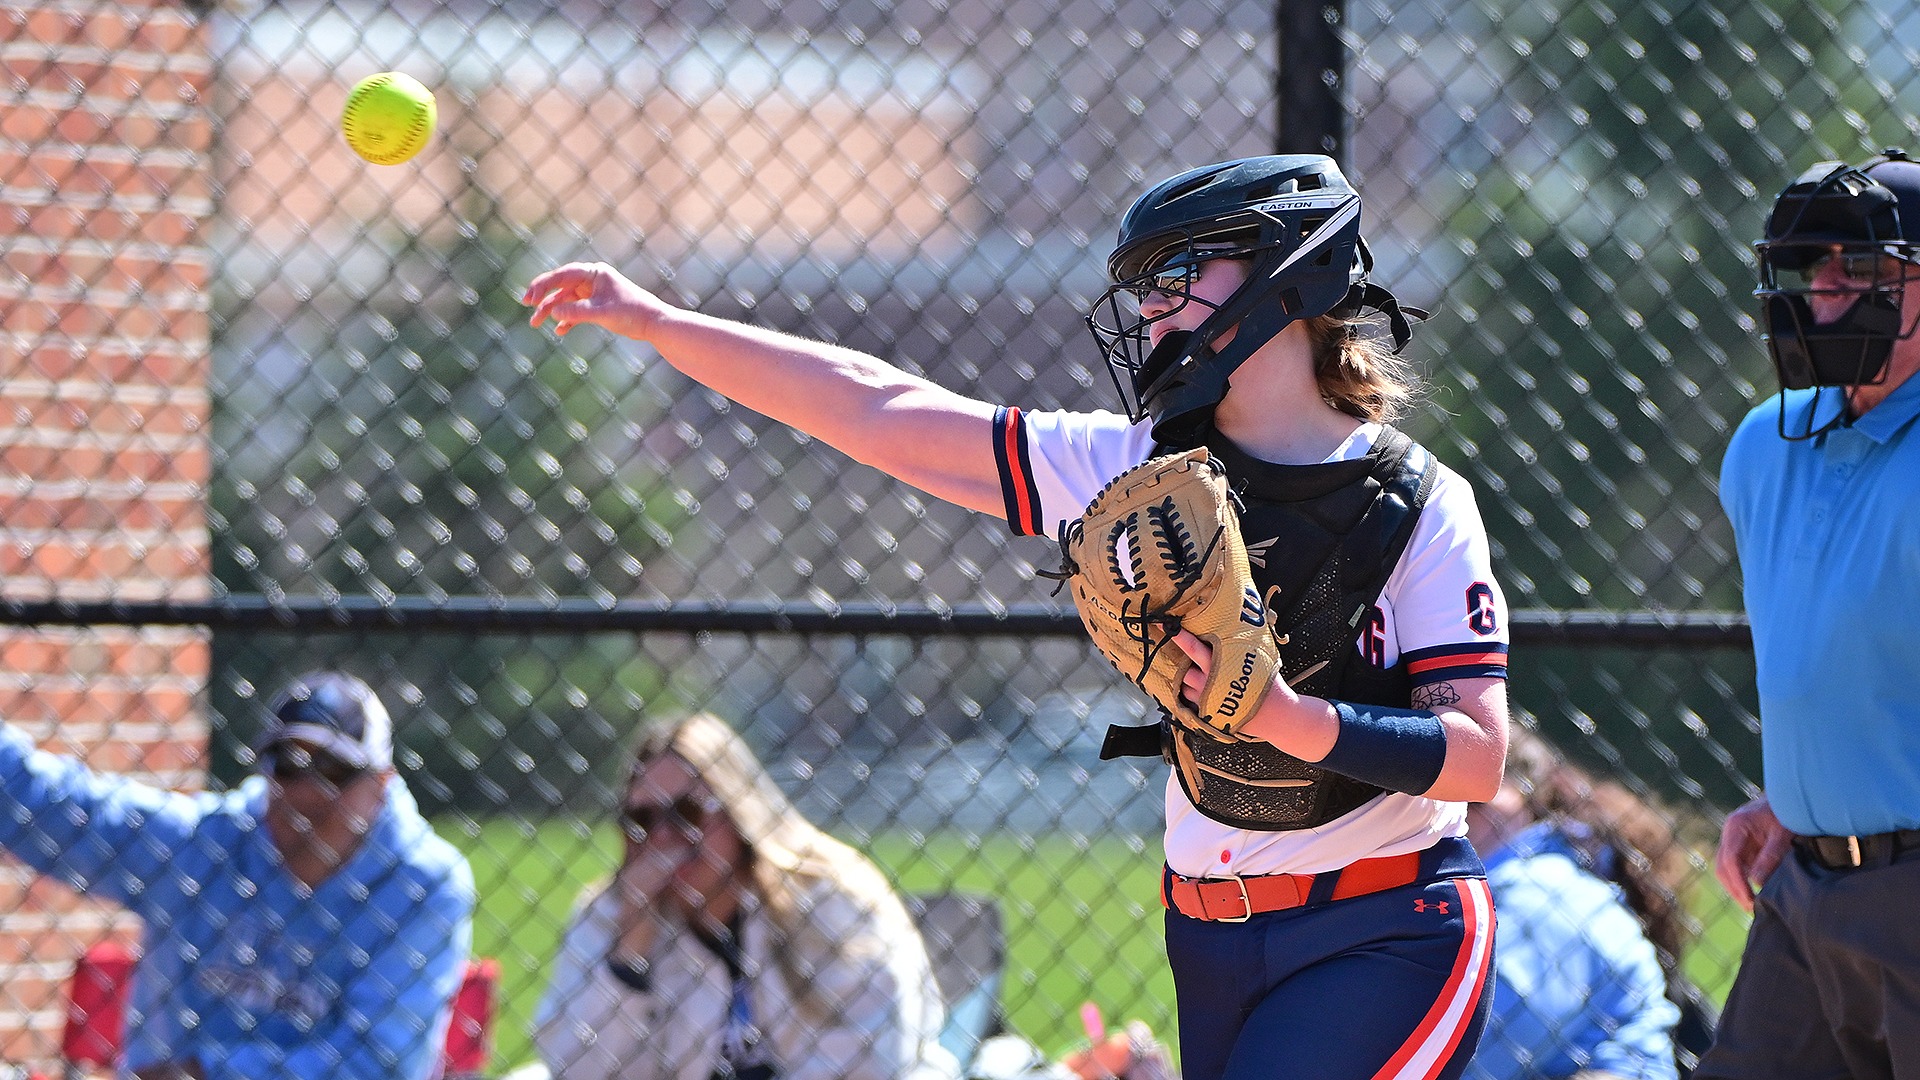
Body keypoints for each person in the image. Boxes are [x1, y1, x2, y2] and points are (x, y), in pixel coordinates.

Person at [524, 153, 1511, 1080]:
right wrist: (660, 324)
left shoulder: (1418, 501)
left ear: (1285, 276)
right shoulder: (1135, 471)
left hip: (1388, 923)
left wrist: (1286, 720)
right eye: (1142, 285)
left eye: (1178, 274)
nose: (1150, 307)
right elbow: (874, 409)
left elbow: (1477, 753)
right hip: (1210, 934)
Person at [1702, 148, 1920, 1079]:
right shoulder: (1765, 443)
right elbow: (1828, 661)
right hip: (1806, 891)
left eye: (1866, 264)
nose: (1829, 285)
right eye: (1815, 263)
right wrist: (1798, 798)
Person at [0, 670, 475, 1080]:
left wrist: (205, 1073)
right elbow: (47, 805)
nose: (307, 793)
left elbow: (377, 1067)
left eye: (335, 770)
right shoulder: (203, 847)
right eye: (289, 766)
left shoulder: (423, 887)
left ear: (381, 785)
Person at [530, 712, 959, 1080]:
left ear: (739, 811)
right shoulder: (608, 915)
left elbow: (875, 1059)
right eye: (641, 818)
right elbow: (574, 1069)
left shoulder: (829, 896)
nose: (663, 837)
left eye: (686, 813)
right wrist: (629, 955)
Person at [1465, 729, 1683, 1080]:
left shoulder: (1546, 893)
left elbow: (1460, 1054)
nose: (1454, 806)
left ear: (1529, 801)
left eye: (1475, 799)